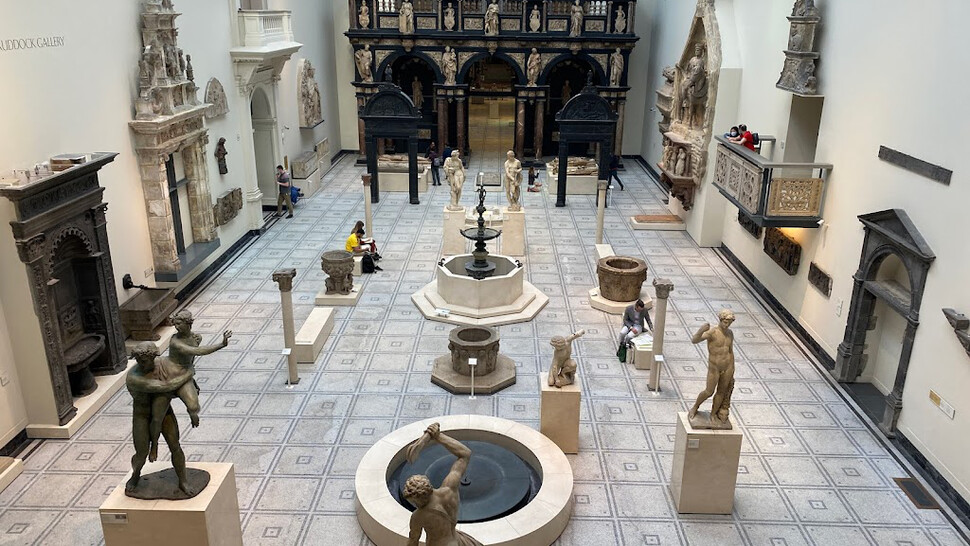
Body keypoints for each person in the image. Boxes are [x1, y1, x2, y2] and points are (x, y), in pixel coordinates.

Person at [403, 423, 482, 546]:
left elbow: (413, 542)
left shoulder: (419, 516)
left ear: (418, 499)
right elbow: (465, 454)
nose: (415, 505)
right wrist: (438, 436)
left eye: (414, 502)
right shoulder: (449, 490)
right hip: (458, 541)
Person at [689, 309, 736, 426]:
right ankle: (695, 407)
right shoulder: (713, 332)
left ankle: (713, 414)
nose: (727, 325)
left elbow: (730, 351)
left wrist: (732, 367)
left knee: (721, 392)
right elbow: (694, 340)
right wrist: (701, 330)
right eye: (725, 322)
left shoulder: (730, 333)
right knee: (709, 391)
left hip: (728, 367)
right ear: (720, 320)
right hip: (714, 368)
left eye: (729, 323)